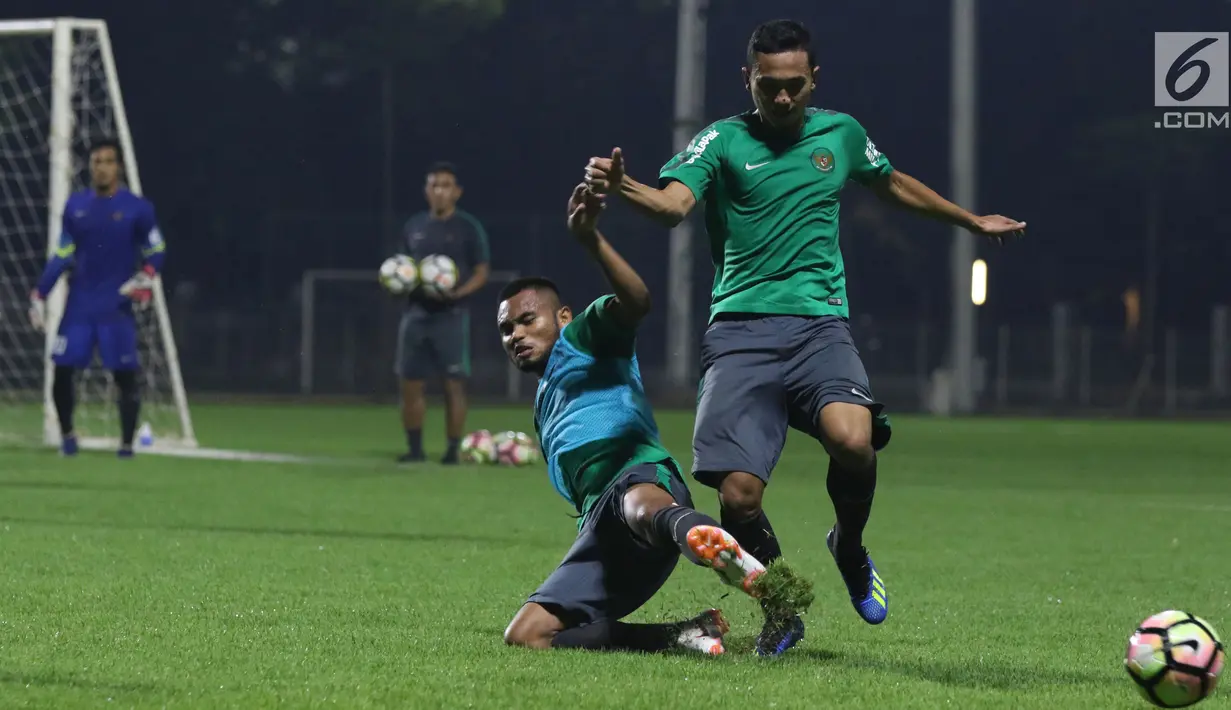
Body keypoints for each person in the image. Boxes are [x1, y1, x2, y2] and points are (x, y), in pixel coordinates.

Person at [583, 18, 1025, 656]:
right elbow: (673, 207)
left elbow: (893, 183)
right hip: (739, 332)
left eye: (795, 85)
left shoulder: (839, 134)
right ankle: (782, 610)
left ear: (814, 78)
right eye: (770, 86)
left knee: (854, 441)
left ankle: (848, 545)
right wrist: (622, 185)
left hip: (820, 327)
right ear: (749, 79)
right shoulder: (722, 141)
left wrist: (970, 221)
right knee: (737, 497)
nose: (783, 98)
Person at [499, 184, 770, 655]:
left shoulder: (583, 336)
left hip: (640, 486)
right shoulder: (544, 399)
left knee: (637, 505)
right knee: (527, 635)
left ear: (562, 316)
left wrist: (591, 240)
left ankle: (701, 536)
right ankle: (682, 634)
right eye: (506, 329)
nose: (516, 334)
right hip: (600, 531)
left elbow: (637, 301)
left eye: (527, 319)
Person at [28, 137, 166, 457]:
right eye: (96, 162)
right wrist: (40, 293)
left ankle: (127, 446)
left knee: (124, 376)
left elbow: (157, 250)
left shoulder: (138, 209)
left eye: (107, 161)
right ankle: (67, 438)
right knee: (62, 371)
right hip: (79, 306)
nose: (101, 168)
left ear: (118, 166)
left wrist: (145, 276)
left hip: (116, 307)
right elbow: (62, 255)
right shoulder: (76, 207)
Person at [395, 162, 491, 464]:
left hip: (451, 315)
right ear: (426, 191)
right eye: (434, 185)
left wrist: (458, 293)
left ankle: (452, 450)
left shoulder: (467, 227)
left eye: (446, 185)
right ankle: (415, 450)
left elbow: (481, 271)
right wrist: (398, 281)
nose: (440, 191)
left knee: (453, 384)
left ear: (457, 192)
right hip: (415, 314)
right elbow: (403, 266)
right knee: (410, 383)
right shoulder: (414, 226)